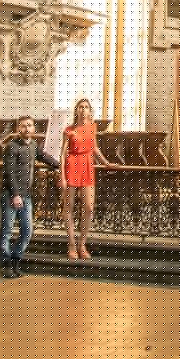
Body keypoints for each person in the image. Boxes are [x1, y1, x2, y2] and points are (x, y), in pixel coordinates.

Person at [0, 115, 59, 279]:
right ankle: (5, 265)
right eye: (23, 126)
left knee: (27, 230)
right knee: (7, 231)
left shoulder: (33, 145)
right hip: (11, 195)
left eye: (30, 125)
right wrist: (15, 195)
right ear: (19, 128)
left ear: (33, 128)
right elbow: (9, 173)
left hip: (26, 196)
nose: (27, 128)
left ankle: (16, 260)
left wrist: (59, 165)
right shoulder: (11, 147)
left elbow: (44, 156)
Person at [58, 98, 110, 260]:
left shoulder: (92, 128)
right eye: (81, 107)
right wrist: (62, 176)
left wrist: (107, 163)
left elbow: (94, 149)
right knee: (69, 207)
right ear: (76, 110)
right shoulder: (68, 130)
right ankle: (72, 244)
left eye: (86, 107)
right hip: (72, 165)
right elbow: (62, 155)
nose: (83, 109)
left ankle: (82, 244)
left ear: (90, 111)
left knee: (88, 207)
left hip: (87, 166)